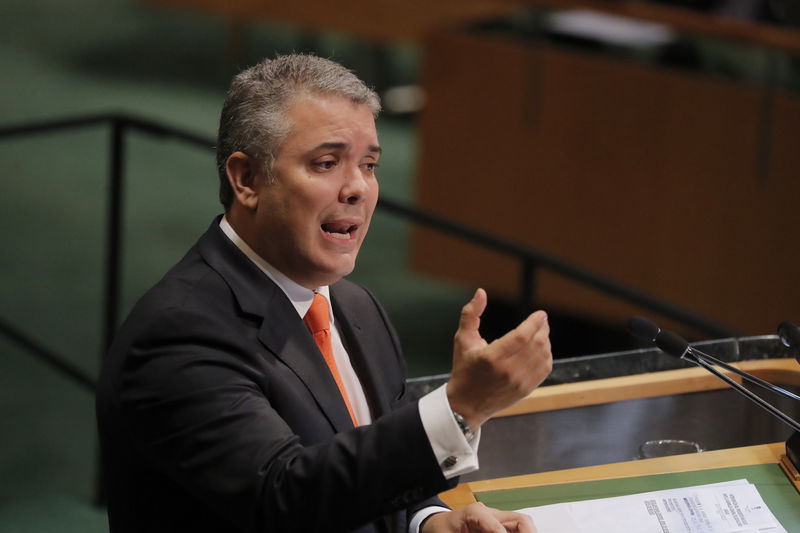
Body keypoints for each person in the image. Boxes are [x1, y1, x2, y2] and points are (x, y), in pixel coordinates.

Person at [96, 54, 552, 533]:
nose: (358, 187)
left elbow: (374, 478)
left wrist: (429, 520)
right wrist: (460, 407)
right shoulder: (179, 333)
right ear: (247, 179)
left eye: (370, 164)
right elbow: (283, 500)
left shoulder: (358, 308)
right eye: (327, 163)